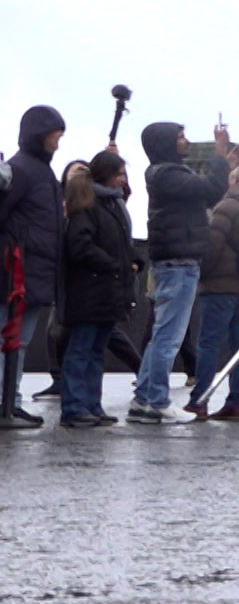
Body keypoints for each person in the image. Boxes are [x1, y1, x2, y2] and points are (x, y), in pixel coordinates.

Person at [129, 120, 237, 424]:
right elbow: (211, 191)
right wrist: (219, 152)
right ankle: (157, 399)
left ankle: (144, 398)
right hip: (180, 261)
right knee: (169, 336)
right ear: (165, 143)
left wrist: (220, 163)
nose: (186, 142)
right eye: (180, 137)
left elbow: (207, 192)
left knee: (161, 334)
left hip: (173, 260)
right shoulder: (168, 174)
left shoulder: (164, 174)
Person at [186, 156, 239, 420]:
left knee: (209, 343)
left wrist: (203, 274)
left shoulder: (229, 205)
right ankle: (236, 403)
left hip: (221, 286)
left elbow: (212, 245)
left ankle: (200, 399)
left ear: (235, 179)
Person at [57, 152, 140, 427]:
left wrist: (133, 260)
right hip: (90, 291)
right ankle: (74, 407)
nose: (123, 179)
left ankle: (91, 405)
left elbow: (118, 244)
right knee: (81, 350)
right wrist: (113, 263)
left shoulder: (114, 206)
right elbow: (79, 245)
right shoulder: (89, 205)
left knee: (94, 351)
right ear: (105, 175)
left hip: (106, 290)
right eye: (119, 173)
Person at [1, 106, 66, 426]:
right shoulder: (25, 170)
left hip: (31, 271)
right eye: (56, 133)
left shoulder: (34, 170)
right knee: (8, 340)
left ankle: (10, 401)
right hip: (18, 273)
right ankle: (4, 403)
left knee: (17, 341)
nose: (58, 140)